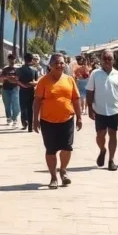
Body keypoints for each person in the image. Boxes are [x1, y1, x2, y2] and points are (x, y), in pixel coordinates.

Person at [33, 53, 82, 189]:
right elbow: (37, 101)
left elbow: (76, 99)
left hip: (67, 119)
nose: (60, 66)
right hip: (47, 120)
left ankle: (63, 170)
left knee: (67, 147)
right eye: (57, 64)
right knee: (51, 149)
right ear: (50, 66)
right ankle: (53, 176)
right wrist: (35, 120)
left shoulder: (69, 80)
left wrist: (79, 117)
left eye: (62, 63)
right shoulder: (43, 81)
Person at [87, 50, 118, 171]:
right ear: (101, 60)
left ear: (113, 60)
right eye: (104, 58)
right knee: (100, 135)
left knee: (113, 134)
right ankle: (102, 150)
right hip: (99, 110)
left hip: (114, 110)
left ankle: (111, 160)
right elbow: (90, 91)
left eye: (109, 58)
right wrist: (90, 108)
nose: (107, 61)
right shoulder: (95, 74)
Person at [16, 53, 40, 132]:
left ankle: (24, 122)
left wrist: (23, 85)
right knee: (30, 109)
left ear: (24, 59)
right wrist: (32, 84)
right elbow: (37, 81)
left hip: (22, 91)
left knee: (23, 108)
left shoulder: (19, 70)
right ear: (32, 59)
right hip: (31, 91)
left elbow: (17, 80)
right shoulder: (34, 70)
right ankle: (30, 126)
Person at [0, 54, 21, 127]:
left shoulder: (18, 69)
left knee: (16, 105)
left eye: (13, 58)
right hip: (6, 88)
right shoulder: (5, 69)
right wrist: (7, 78)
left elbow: (20, 78)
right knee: (7, 105)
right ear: (8, 60)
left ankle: (15, 118)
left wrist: (14, 78)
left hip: (15, 88)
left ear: (15, 59)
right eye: (10, 58)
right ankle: (9, 117)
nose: (12, 60)